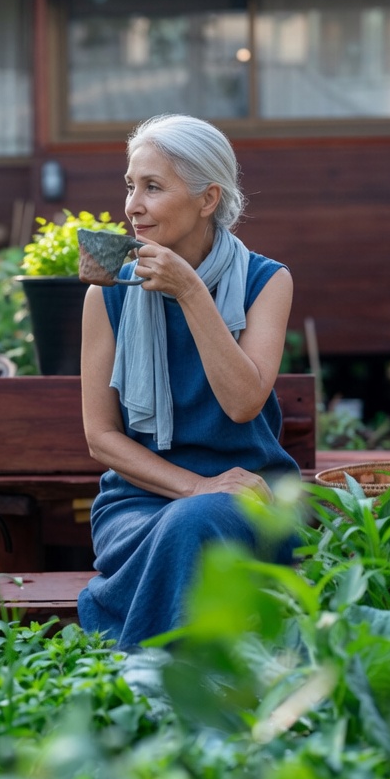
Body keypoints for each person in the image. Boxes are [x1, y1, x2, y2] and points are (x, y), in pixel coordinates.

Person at [76, 113, 301, 651]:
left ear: (207, 199)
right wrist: (197, 488)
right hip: (137, 504)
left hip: (248, 498)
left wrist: (190, 291)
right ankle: (180, 687)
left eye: (153, 187)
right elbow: (100, 437)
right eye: (131, 185)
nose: (133, 205)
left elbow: (244, 402)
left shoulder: (267, 282)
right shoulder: (107, 295)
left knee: (198, 522)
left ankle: (144, 681)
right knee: (189, 523)